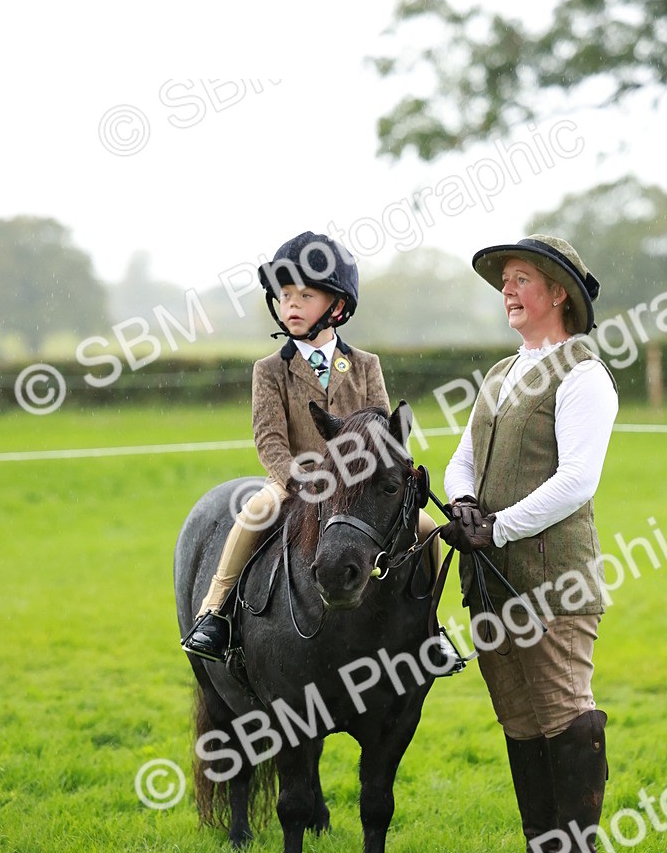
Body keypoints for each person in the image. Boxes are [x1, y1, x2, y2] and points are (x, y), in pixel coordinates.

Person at [182, 230, 461, 671]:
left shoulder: (365, 364)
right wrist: (298, 479)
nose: (290, 304)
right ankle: (215, 612)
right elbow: (269, 438)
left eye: (304, 295)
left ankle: (431, 625)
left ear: (337, 307)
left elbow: (384, 428)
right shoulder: (270, 370)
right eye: (284, 295)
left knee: (426, 530)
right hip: (298, 481)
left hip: (359, 485)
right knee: (253, 513)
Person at [440, 235, 618, 853]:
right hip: (491, 584)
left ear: (558, 293)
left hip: (555, 582)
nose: (508, 291)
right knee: (517, 715)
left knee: (562, 708)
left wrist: (498, 528)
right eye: (505, 282)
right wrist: (463, 505)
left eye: (521, 280)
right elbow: (463, 456)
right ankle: (542, 849)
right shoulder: (499, 373)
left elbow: (577, 480)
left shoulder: (583, 375)